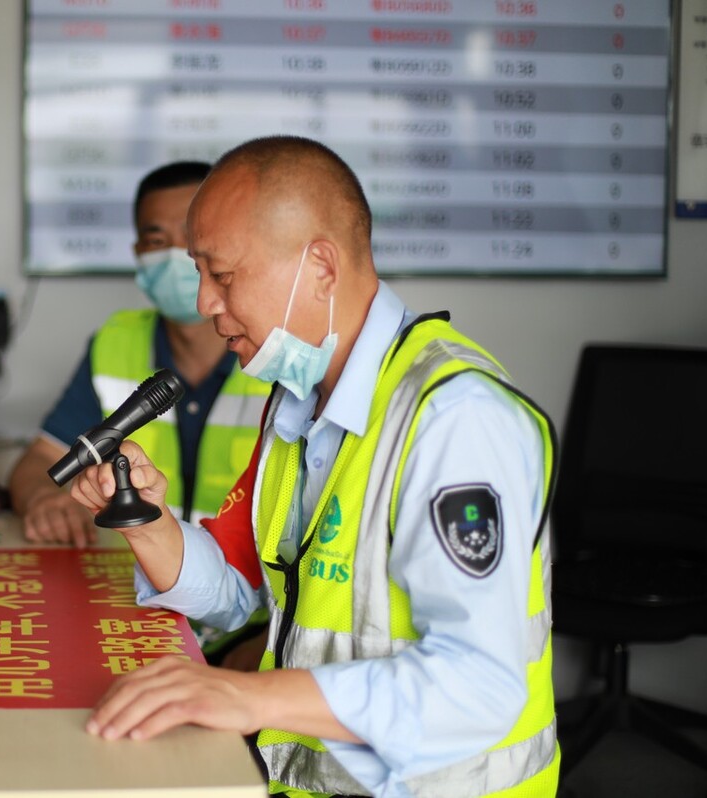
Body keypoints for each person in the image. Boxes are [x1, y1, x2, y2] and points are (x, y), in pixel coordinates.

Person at [68, 136, 560, 797]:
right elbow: (238, 592)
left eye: (224, 275)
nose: (206, 302)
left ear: (320, 265)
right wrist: (147, 519)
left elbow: (480, 685)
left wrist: (250, 698)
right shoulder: (297, 403)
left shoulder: (453, 419)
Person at [8, 160, 271, 664]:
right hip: (141, 617)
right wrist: (49, 501)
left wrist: (251, 669)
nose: (177, 257)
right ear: (137, 254)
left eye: (192, 239)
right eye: (156, 240)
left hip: (249, 632)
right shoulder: (117, 342)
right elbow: (35, 465)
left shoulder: (278, 357)